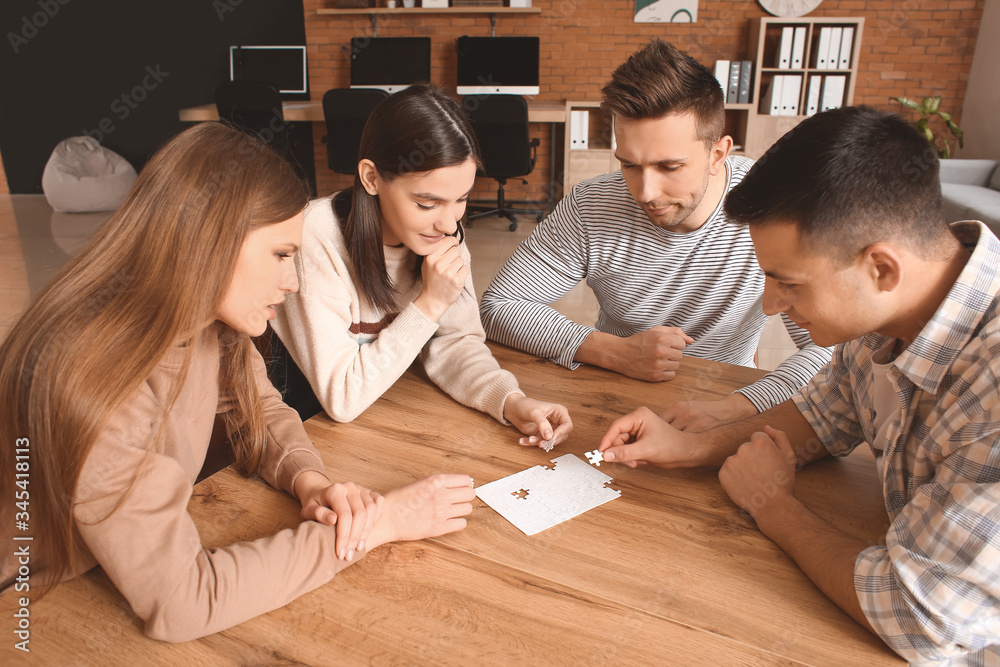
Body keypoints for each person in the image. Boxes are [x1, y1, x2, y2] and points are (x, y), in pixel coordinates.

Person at [0, 123, 476, 642]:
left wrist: (309, 482)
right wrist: (379, 526)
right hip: (29, 613)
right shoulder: (91, 376)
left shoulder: (207, 320)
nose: (292, 282)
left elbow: (264, 413)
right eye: (279, 254)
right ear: (208, 239)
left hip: (101, 571)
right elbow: (184, 603)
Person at [598, 107, 1000, 664]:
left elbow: (916, 618)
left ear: (881, 268)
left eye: (787, 283)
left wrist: (774, 507)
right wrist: (692, 446)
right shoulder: (892, 305)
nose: (769, 305)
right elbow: (829, 413)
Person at [479, 39, 832, 432]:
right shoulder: (593, 204)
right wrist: (613, 351)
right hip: (611, 388)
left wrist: (743, 403)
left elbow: (830, 346)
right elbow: (499, 306)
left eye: (669, 166)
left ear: (718, 154)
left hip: (727, 397)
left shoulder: (775, 206)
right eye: (630, 165)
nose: (645, 192)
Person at [272, 83, 572, 449]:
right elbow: (342, 398)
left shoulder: (445, 234)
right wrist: (430, 303)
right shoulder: (317, 236)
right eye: (427, 205)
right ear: (371, 178)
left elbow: (454, 343)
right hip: (305, 429)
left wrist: (510, 401)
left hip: (384, 414)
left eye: (461, 199)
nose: (449, 225)